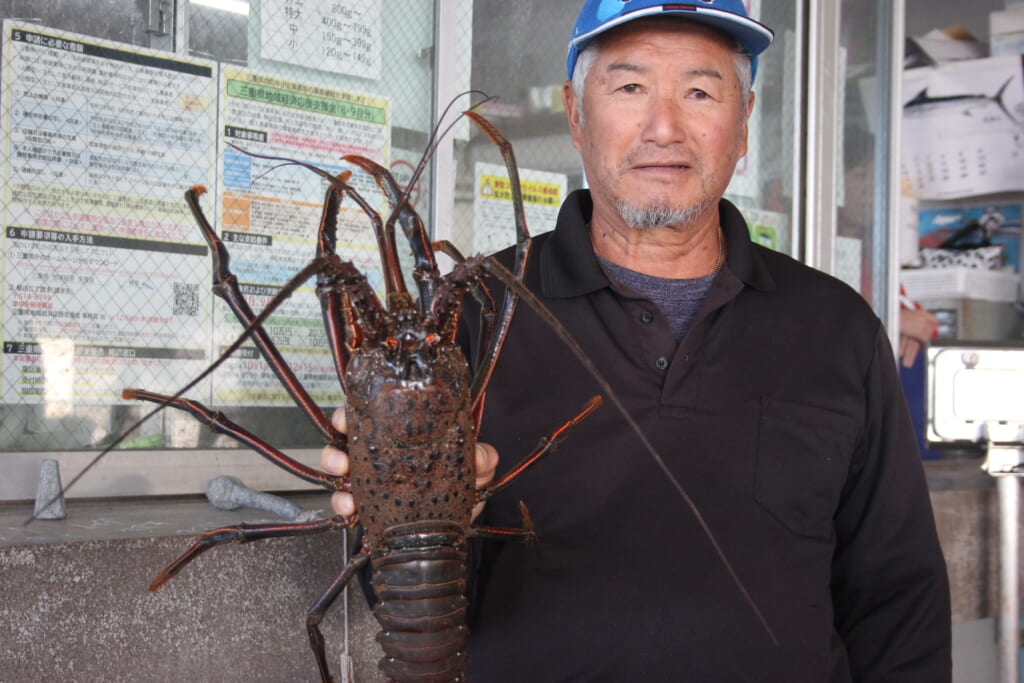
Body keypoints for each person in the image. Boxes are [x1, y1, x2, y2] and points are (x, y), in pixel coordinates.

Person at [322, 0, 952, 679]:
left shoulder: (838, 329)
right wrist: (407, 507)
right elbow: (411, 598)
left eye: (700, 91)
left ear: (743, 123)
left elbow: (898, 597)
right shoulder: (466, 317)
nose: (664, 127)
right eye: (630, 87)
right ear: (575, 114)